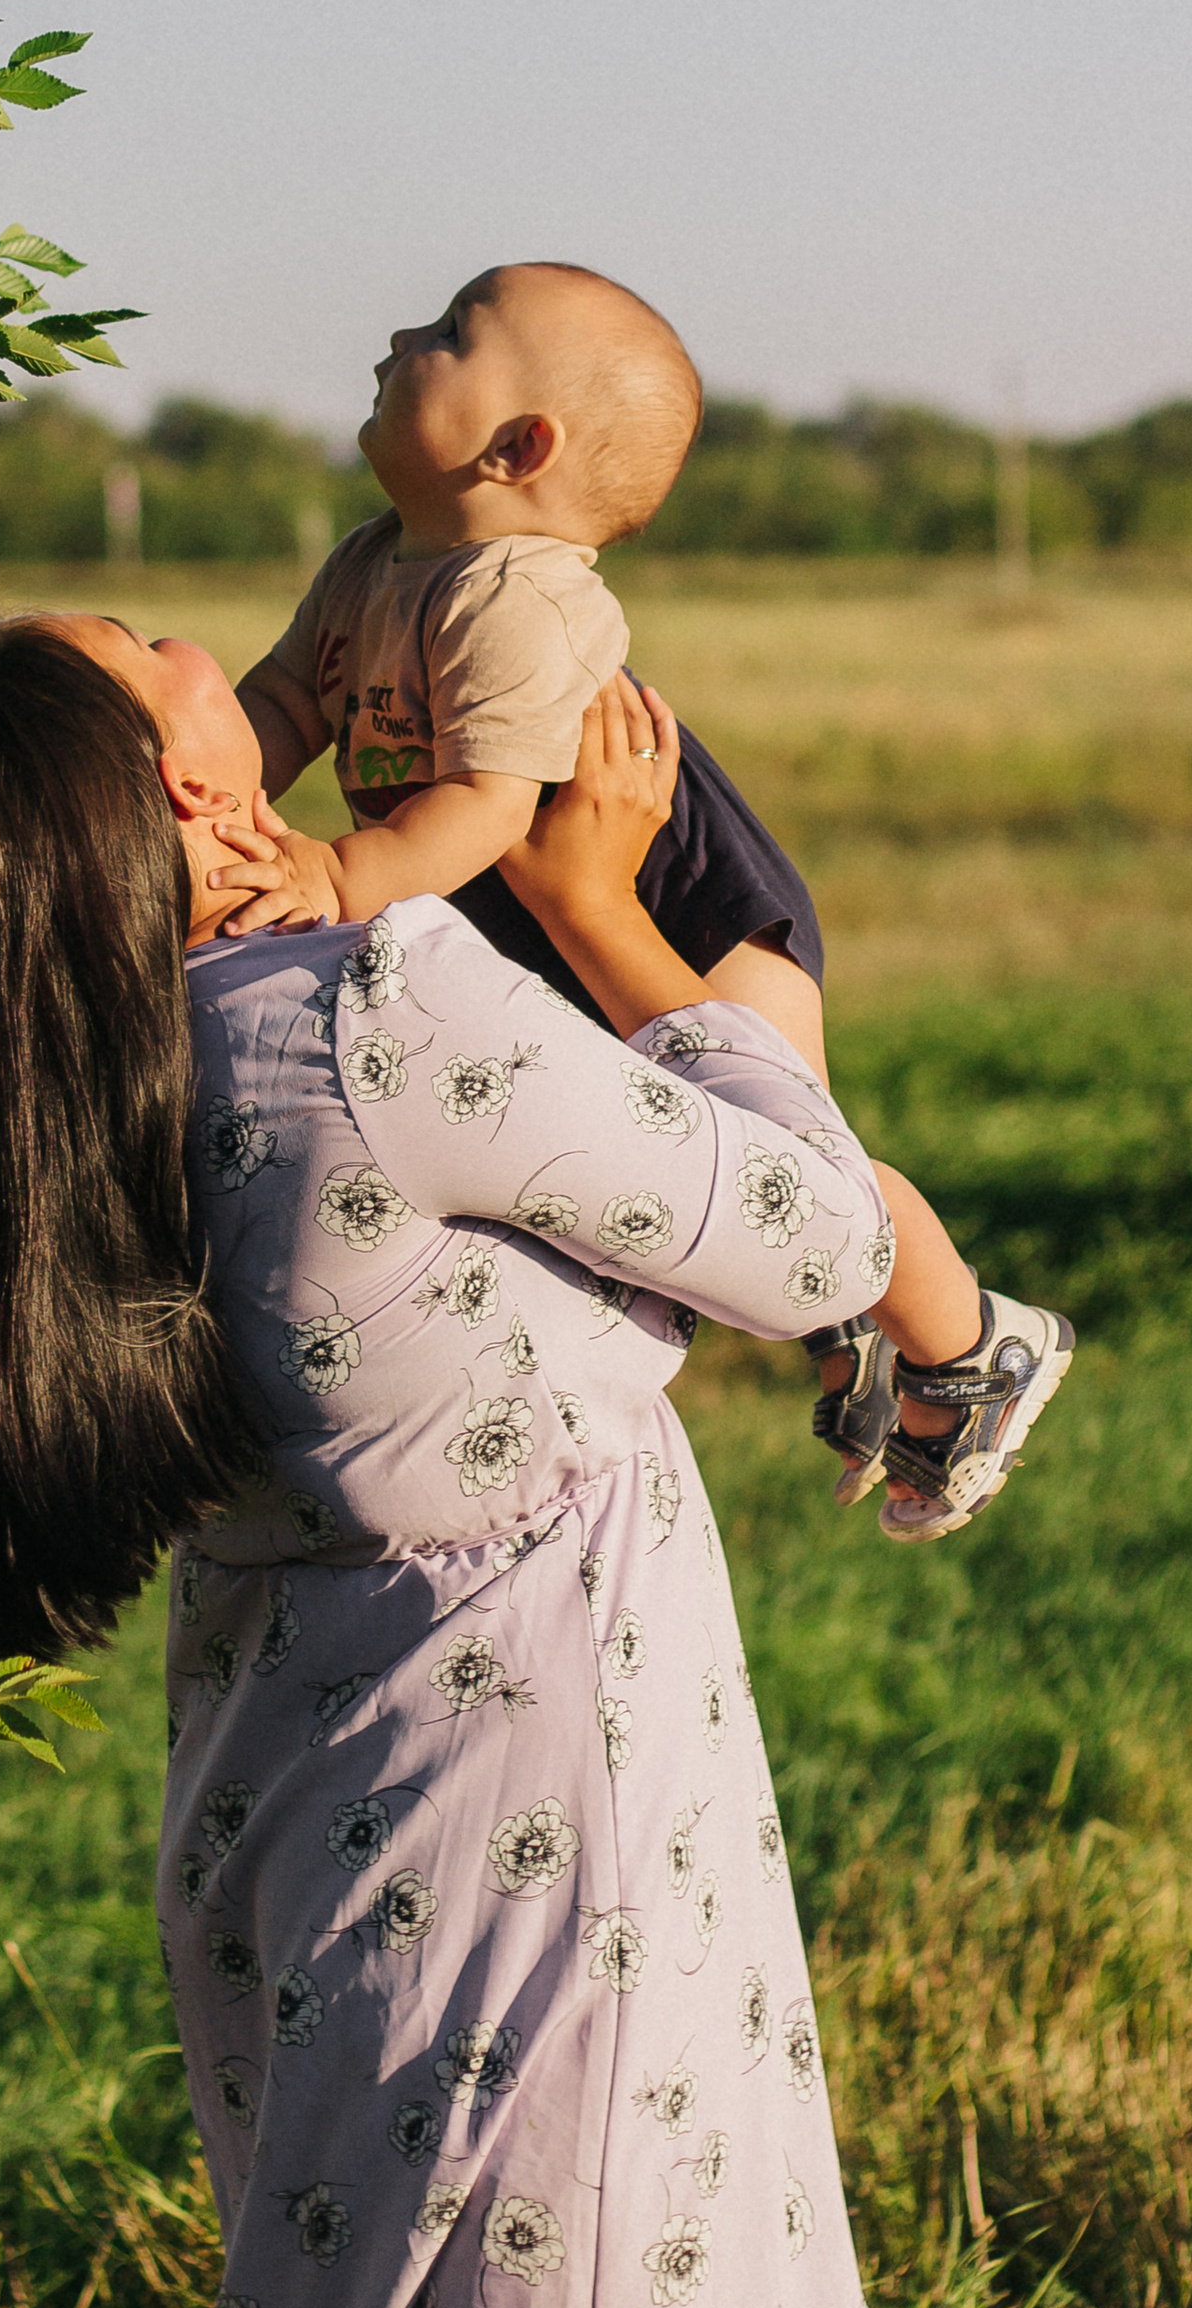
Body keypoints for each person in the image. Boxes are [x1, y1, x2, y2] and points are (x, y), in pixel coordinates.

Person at [0, 607, 943, 2308]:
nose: (217, 645)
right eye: (158, 641)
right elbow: (821, 1239)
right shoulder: (362, 1004)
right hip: (534, 1818)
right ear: (192, 781)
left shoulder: (78, 1082)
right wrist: (610, 917)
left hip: (282, 1802)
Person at [235, 261, 1071, 1541]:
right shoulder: (368, 566)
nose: (402, 334)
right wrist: (205, 796)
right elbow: (287, 701)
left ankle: (974, 1346)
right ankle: (845, 1327)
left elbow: (496, 810)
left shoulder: (514, 594)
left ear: (520, 445)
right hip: (519, 900)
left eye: (449, 333)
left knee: (798, 1165)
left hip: (679, 891)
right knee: (666, 1166)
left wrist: (334, 877)